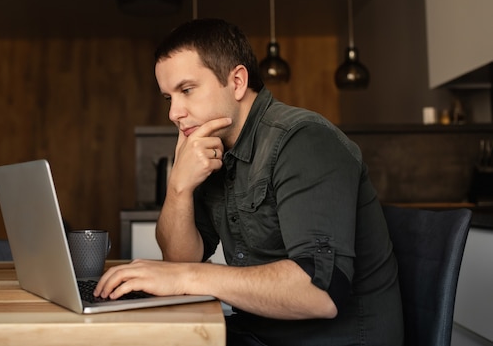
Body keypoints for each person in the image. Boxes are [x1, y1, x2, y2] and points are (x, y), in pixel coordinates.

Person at [94, 18, 404, 346]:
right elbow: (180, 260)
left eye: (186, 90)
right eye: (169, 98)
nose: (174, 113)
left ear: (238, 82)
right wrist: (178, 188)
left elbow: (320, 292)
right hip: (258, 334)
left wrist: (186, 277)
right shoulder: (215, 150)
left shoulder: (304, 141)